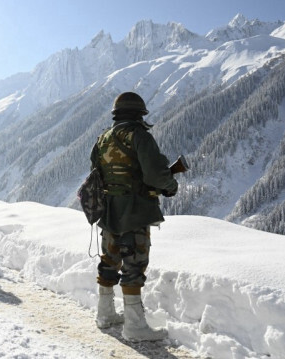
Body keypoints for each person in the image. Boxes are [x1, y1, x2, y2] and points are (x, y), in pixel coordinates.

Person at [90, 92, 178, 342]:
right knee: (134, 264)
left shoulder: (103, 139)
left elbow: (95, 173)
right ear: (140, 114)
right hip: (135, 212)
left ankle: (105, 314)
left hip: (109, 211)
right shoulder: (140, 137)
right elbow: (155, 175)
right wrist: (170, 185)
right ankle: (135, 327)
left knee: (109, 259)